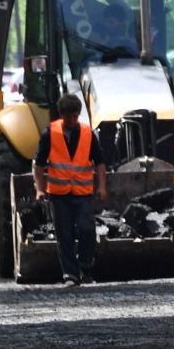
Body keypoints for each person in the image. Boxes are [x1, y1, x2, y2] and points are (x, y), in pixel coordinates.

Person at [33, 92, 108, 287]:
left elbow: (100, 162)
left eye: (75, 116)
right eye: (68, 117)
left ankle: (86, 269)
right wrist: (39, 189)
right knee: (64, 234)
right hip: (59, 195)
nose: (72, 120)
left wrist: (101, 187)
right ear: (61, 115)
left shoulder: (87, 133)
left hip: (82, 194)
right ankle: (70, 275)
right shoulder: (50, 133)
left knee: (87, 230)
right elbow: (39, 164)